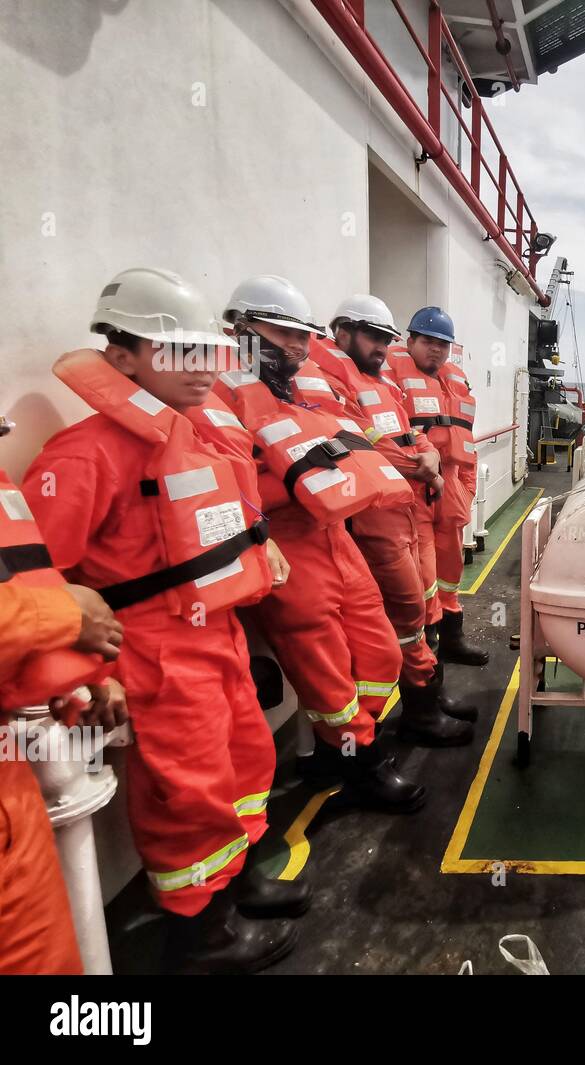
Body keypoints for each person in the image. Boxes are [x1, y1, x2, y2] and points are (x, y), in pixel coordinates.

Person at [22, 267, 308, 973]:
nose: (202, 368)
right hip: (154, 650)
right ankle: (197, 934)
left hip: (217, 636)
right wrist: (85, 672)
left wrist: (262, 545)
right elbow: (36, 579)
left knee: (245, 763)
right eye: (179, 351)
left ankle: (238, 881)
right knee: (188, 791)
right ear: (120, 358)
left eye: (208, 350)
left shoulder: (194, 436)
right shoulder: (85, 455)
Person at [213, 275, 447, 799]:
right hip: (285, 540)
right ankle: (358, 765)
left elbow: (352, 441)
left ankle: (337, 749)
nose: (297, 347)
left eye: (302, 336)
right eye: (283, 334)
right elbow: (218, 479)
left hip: (331, 531)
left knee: (379, 650)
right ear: (242, 328)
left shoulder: (303, 391)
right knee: (322, 666)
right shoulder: (218, 396)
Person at [311, 295, 476, 735]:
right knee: (404, 611)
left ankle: (427, 699)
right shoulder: (329, 380)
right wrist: (421, 465)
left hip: (412, 502)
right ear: (341, 333)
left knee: (422, 601)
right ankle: (414, 715)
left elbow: (410, 432)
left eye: (385, 338)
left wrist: (429, 463)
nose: (380, 347)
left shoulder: (381, 383)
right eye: (372, 336)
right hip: (375, 511)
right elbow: (352, 440)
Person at [0, 408, 123, 975]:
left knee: (47, 953)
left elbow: (31, 577)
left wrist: (76, 673)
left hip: (15, 772)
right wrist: (65, 624)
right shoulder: (81, 455)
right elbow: (55, 602)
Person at [386, 307, 490, 666]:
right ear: (409, 340)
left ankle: (452, 636)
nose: (435, 351)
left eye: (442, 345)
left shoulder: (455, 379)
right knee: (423, 571)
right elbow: (390, 427)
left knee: (451, 567)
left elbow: (466, 437)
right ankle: (428, 644)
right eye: (428, 342)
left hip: (454, 485)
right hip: (416, 485)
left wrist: (467, 486)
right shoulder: (390, 375)